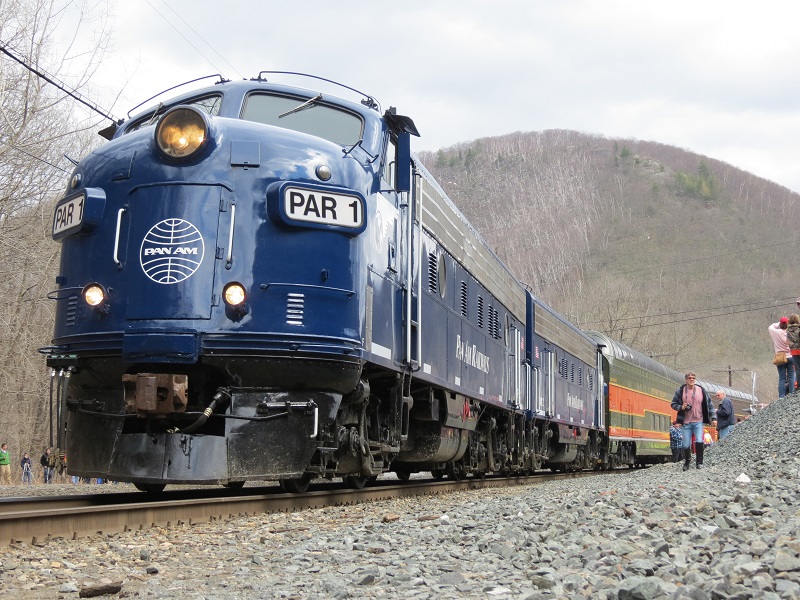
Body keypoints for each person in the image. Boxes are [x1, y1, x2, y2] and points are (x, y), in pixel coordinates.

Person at [671, 372, 714, 470]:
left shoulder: (701, 390)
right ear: (686, 380)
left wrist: (714, 418)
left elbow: (709, 405)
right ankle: (687, 461)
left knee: (699, 440)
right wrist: (681, 407)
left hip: (698, 420)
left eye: (693, 378)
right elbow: (673, 404)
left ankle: (699, 462)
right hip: (686, 422)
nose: (691, 379)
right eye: (689, 378)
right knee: (686, 444)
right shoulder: (681, 390)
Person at [769, 317, 795, 398]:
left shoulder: (775, 332)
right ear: (787, 325)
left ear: (780, 324)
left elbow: (770, 327)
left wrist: (778, 323)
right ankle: (792, 395)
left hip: (780, 357)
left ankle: (781, 396)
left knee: (782, 378)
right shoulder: (790, 333)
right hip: (790, 357)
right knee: (791, 376)